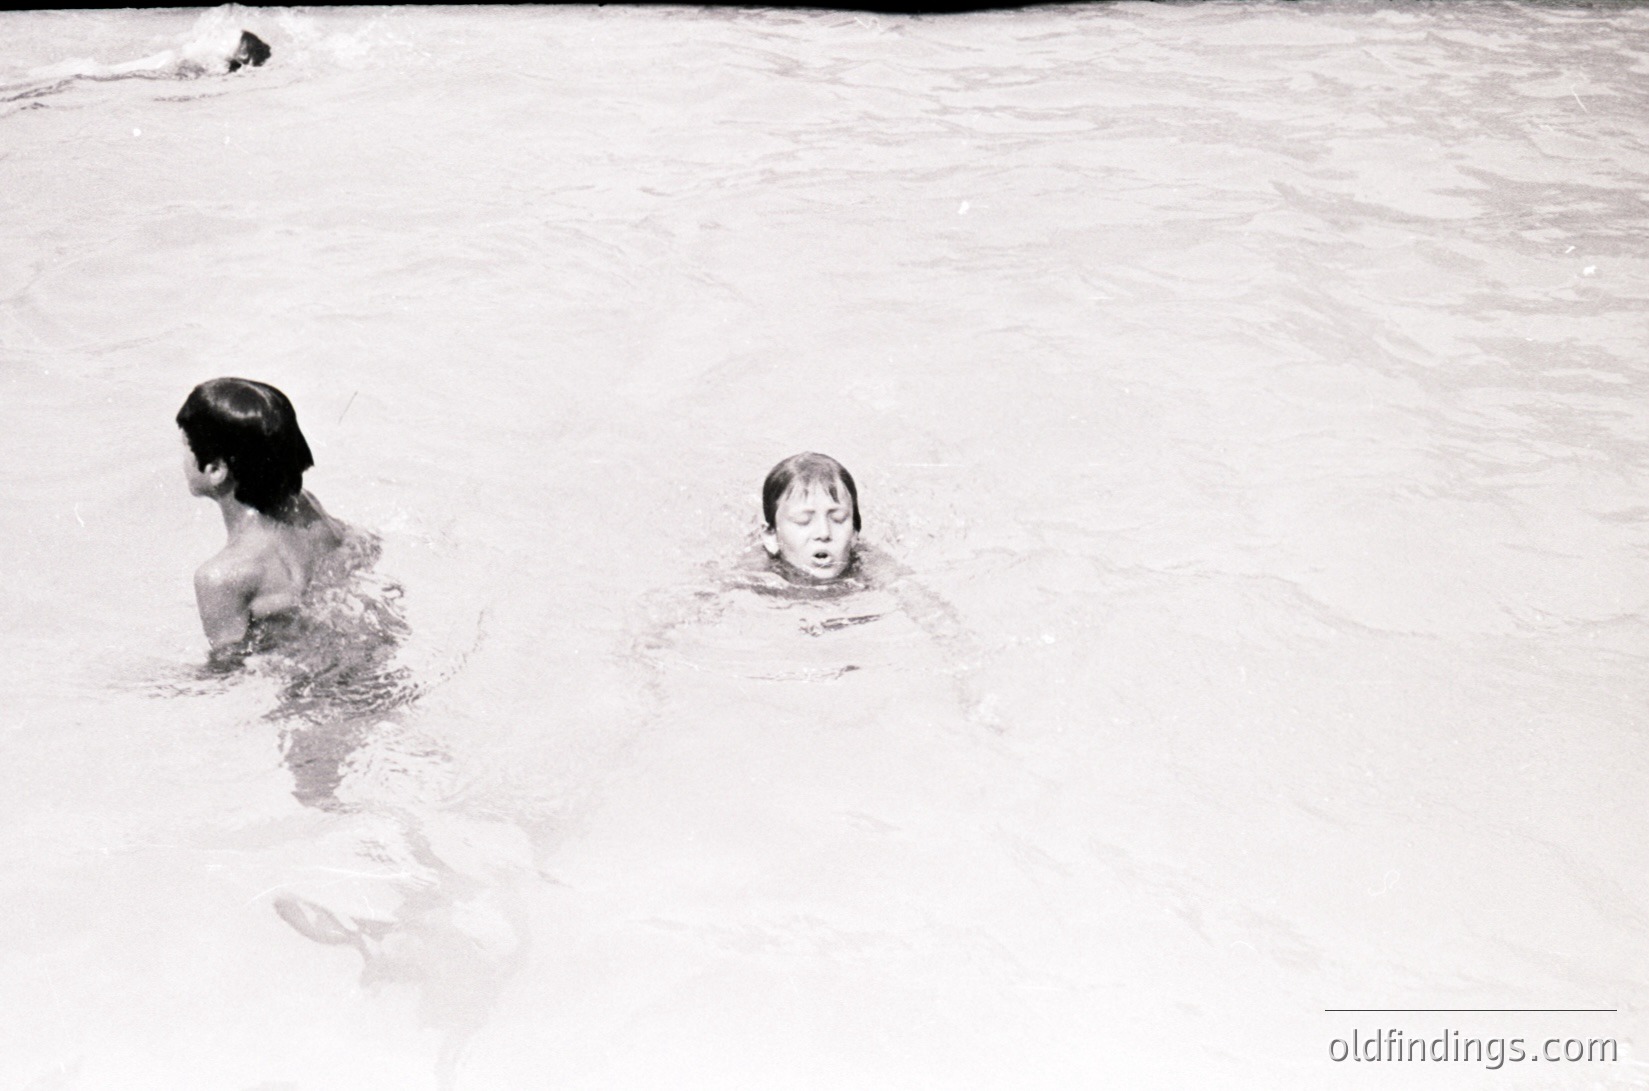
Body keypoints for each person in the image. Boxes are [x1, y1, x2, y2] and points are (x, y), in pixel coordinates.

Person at [177, 378, 344, 650]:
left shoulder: (220, 577)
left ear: (216, 470)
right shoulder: (306, 508)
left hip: (310, 689)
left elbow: (230, 668)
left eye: (184, 446)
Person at [760, 452, 861, 583]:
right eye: (803, 520)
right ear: (770, 536)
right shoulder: (749, 583)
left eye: (838, 518)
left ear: (854, 533)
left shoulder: (881, 578)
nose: (824, 533)